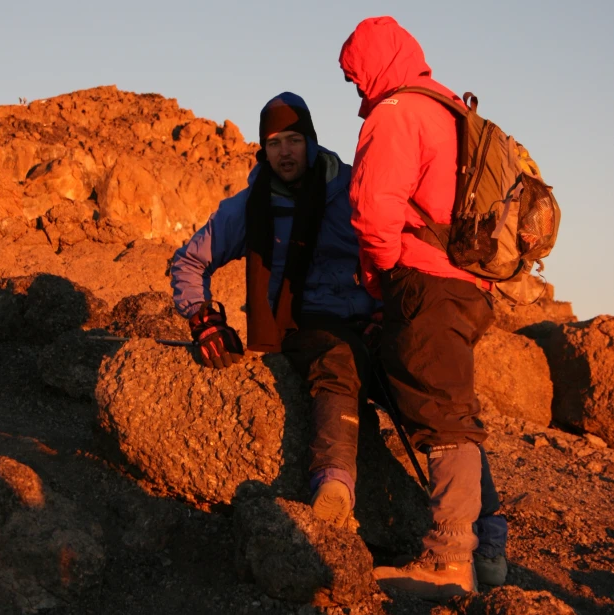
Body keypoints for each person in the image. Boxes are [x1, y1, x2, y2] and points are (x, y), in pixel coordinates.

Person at [339, 16, 508, 599]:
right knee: (455, 410)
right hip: (471, 287)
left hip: (427, 283)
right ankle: (487, 553)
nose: (355, 85)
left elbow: (373, 212)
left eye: (353, 72)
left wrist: (383, 277)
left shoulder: (396, 112)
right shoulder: (448, 110)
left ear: (373, 62)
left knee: (443, 417)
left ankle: (447, 560)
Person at [171, 92, 379, 527]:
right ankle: (333, 483)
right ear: (263, 149)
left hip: (369, 318)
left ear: (312, 141)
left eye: (294, 140)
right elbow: (189, 261)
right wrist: (203, 319)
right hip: (303, 324)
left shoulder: (352, 191)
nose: (284, 152)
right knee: (335, 361)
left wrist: (386, 310)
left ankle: (482, 530)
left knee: (432, 389)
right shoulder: (251, 205)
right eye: (274, 142)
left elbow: (389, 251)